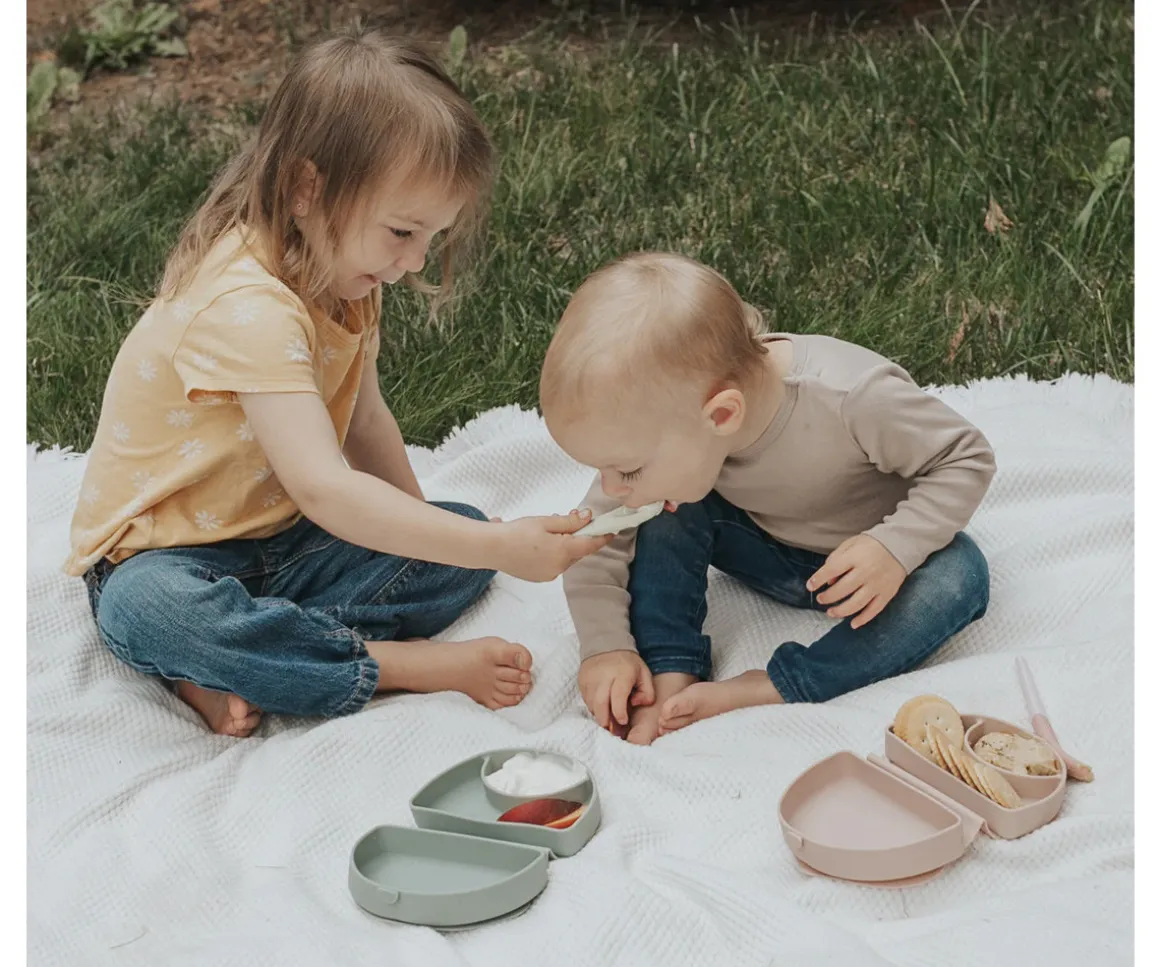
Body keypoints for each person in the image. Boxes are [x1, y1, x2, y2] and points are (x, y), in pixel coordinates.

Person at [65, 28, 609, 737]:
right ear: (306, 190)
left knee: (462, 538)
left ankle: (242, 663)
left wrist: (437, 537)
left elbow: (366, 423)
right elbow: (325, 486)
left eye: (431, 238)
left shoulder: (346, 281)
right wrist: (499, 550)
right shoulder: (248, 307)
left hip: (286, 543)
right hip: (166, 559)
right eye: (403, 232)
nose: (415, 262)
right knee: (151, 613)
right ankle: (388, 664)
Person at [541, 252, 995, 745]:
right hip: (764, 546)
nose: (611, 487)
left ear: (721, 415)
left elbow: (966, 457)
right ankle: (670, 670)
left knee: (959, 576)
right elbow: (595, 538)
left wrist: (893, 547)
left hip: (874, 574)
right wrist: (605, 646)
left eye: (626, 468)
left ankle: (779, 685)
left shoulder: (852, 398)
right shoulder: (678, 430)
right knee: (667, 504)